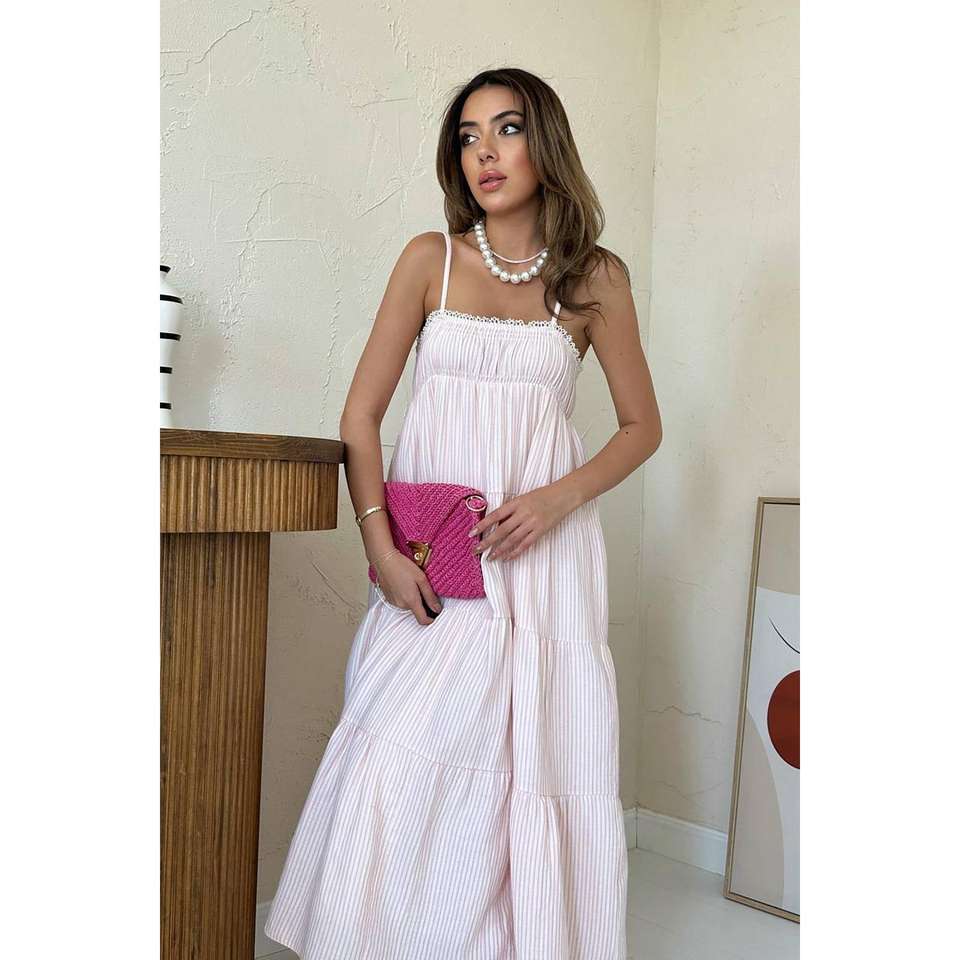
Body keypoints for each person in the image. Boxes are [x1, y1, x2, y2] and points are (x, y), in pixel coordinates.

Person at [265, 66, 662, 960]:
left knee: (531, 762)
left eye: (507, 129)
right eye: (468, 136)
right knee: (401, 751)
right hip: (435, 560)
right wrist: (381, 550)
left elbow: (643, 427)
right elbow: (360, 417)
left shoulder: (595, 280)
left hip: (544, 563)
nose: (485, 152)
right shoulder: (430, 260)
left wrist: (555, 500)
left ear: (545, 142)